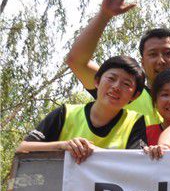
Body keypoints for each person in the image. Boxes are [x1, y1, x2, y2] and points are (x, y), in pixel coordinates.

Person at [65, 0, 170, 125]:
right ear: (142, 62)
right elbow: (77, 62)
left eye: (168, 53)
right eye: (153, 54)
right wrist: (104, 15)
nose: (161, 60)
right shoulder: (127, 91)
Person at [17, 56, 147, 163]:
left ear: (135, 96)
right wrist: (63, 146)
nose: (116, 87)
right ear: (97, 81)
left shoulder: (135, 122)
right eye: (111, 79)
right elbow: (22, 148)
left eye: (126, 84)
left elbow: (137, 163)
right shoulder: (66, 113)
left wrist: (95, 152)